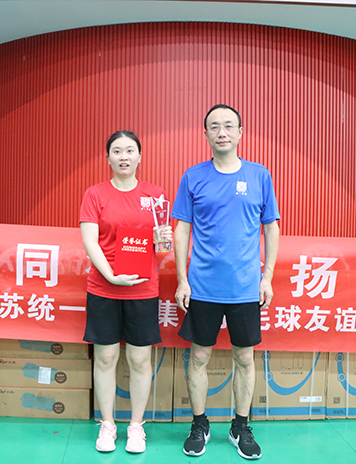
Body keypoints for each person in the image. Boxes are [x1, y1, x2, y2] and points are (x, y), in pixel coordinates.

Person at [172, 104, 280, 460]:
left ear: (240, 132)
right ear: (205, 134)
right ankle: (199, 424)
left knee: (245, 357)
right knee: (199, 355)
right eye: (215, 126)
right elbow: (182, 229)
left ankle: (240, 426)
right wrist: (182, 280)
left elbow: (271, 228)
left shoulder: (259, 175)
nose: (222, 132)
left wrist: (267, 277)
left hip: (245, 287)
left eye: (229, 126)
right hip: (203, 285)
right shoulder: (193, 177)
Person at [79, 130, 173, 453]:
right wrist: (111, 276)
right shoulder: (95, 194)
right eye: (117, 151)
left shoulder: (155, 196)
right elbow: (90, 242)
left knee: (139, 358)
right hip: (104, 288)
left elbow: (162, 249)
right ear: (108, 158)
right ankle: (107, 425)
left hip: (143, 290)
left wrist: (162, 241)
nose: (123, 156)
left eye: (130, 150)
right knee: (106, 357)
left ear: (139, 157)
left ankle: (136, 426)